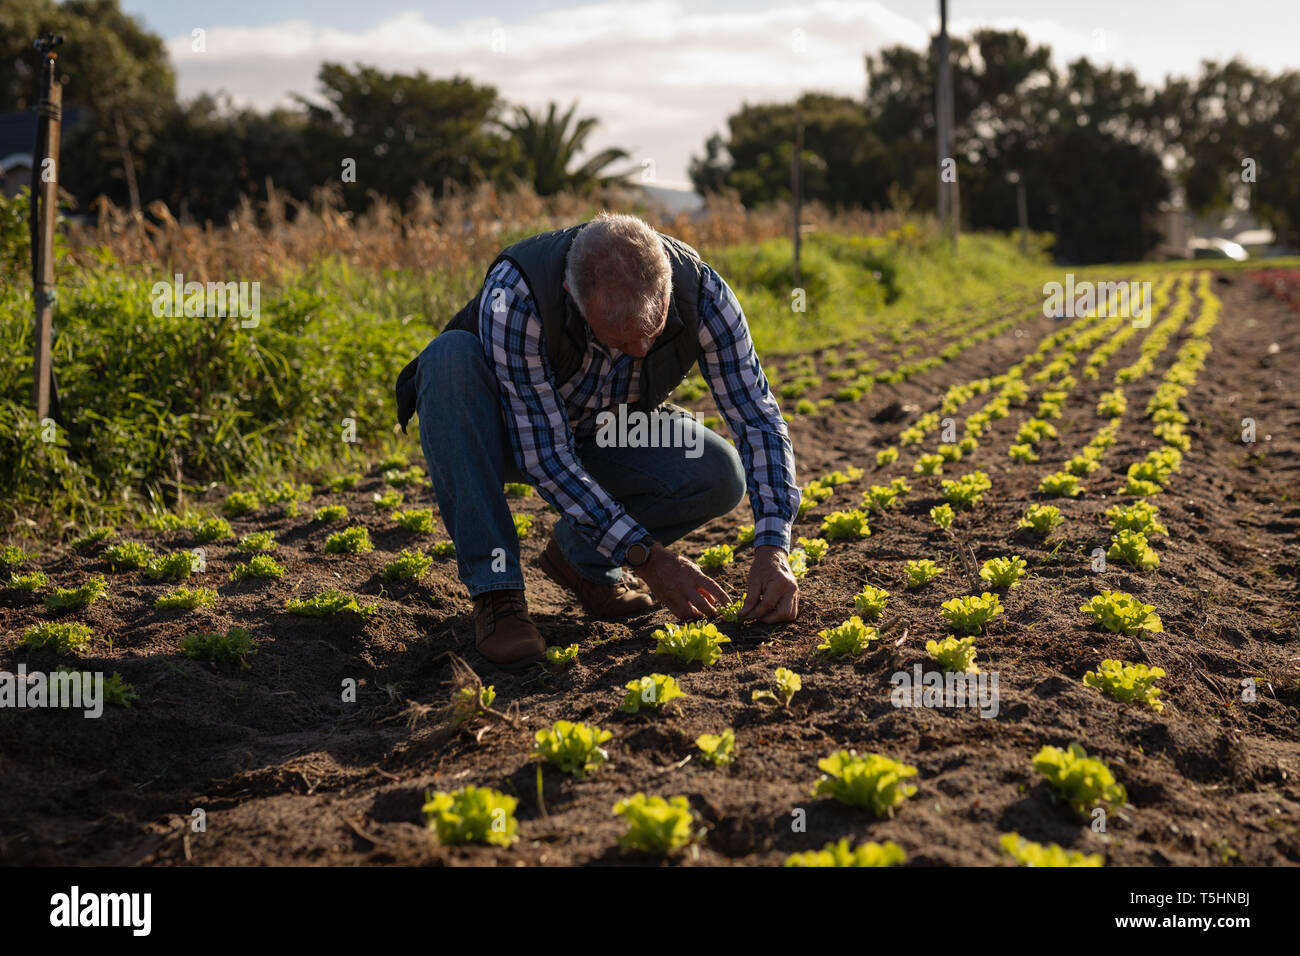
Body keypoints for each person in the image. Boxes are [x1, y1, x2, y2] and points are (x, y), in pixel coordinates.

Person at [394, 212, 800, 669]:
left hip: (611, 427)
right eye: (624, 339)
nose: (642, 351)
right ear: (574, 296)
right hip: (508, 431)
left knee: (718, 472)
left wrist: (772, 547)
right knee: (448, 359)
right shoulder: (518, 295)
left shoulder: (702, 292)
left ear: (665, 281)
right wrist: (649, 560)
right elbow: (546, 455)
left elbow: (756, 417)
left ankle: (580, 560)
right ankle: (497, 594)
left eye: (653, 331)